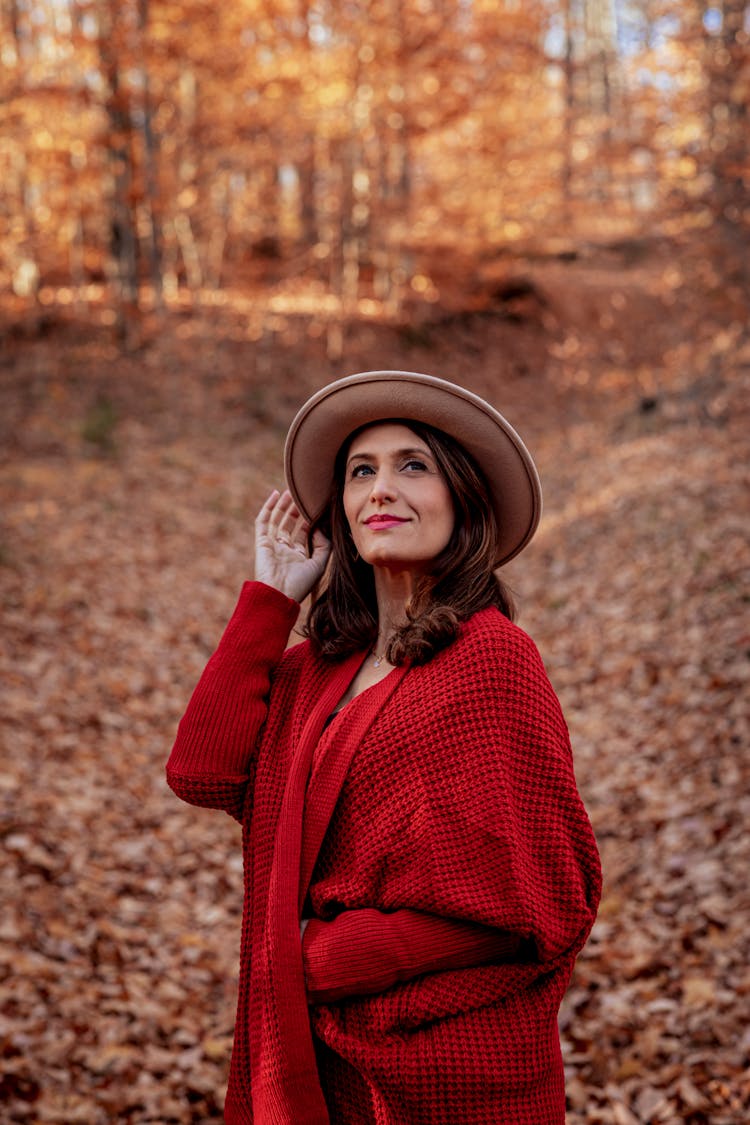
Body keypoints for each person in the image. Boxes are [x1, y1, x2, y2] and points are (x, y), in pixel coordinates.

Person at [166, 369, 601, 1125]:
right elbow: (201, 772)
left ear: (463, 498)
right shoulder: (314, 669)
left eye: (413, 466)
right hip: (316, 1057)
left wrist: (326, 957)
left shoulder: (495, 660)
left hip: (452, 1074)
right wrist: (270, 601)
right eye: (361, 471)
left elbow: (550, 899)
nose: (380, 489)